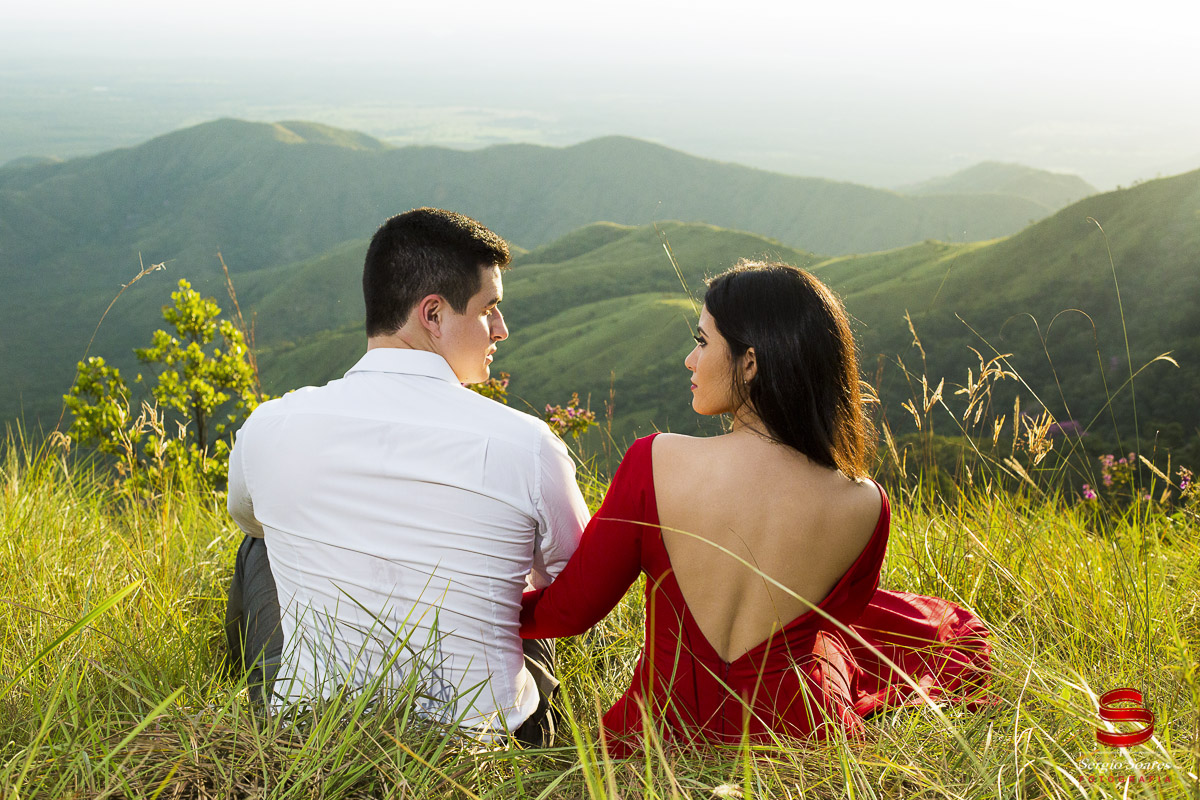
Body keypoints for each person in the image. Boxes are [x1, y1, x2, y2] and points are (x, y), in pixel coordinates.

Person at [520, 260, 990, 757]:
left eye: (702, 342)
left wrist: (481, 606)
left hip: (654, 742)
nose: (688, 359)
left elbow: (568, 612)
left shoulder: (653, 462)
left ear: (750, 362)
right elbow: (842, 618)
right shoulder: (866, 501)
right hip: (807, 748)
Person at [224, 207, 589, 746]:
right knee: (519, 571)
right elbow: (576, 585)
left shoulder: (269, 426)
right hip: (493, 739)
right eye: (490, 309)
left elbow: (249, 521)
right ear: (433, 315)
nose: (502, 330)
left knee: (258, 548)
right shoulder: (527, 443)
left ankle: (255, 710)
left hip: (315, 732)